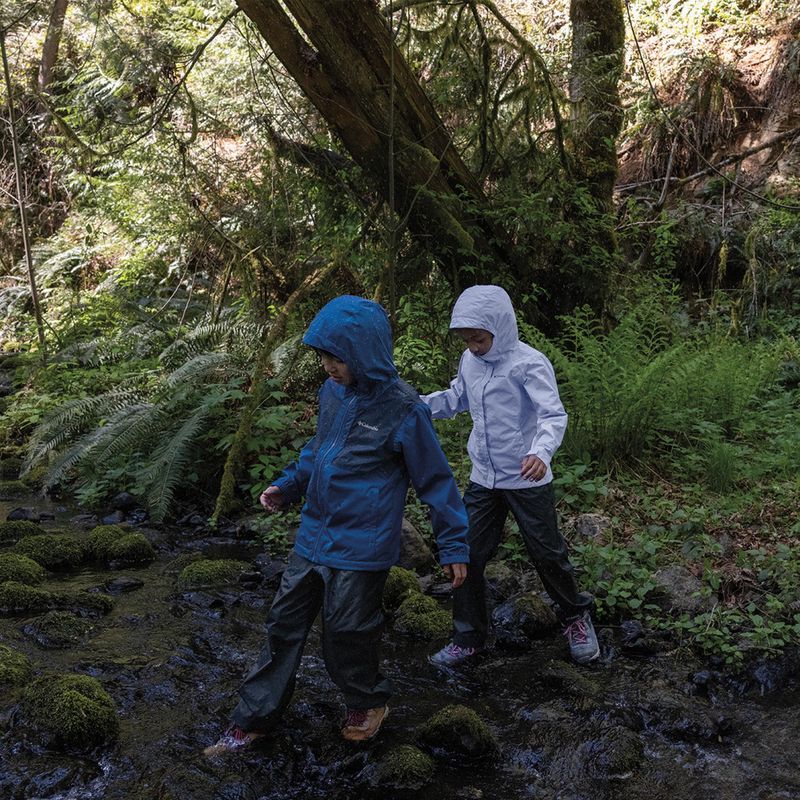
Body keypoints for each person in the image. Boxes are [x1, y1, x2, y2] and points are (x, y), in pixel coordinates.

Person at [204, 295, 469, 756]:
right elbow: (319, 451)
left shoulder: (406, 410)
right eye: (323, 355)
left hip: (362, 546)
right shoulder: (333, 393)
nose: (328, 365)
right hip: (313, 535)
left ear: (365, 351)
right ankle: (253, 718)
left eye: (337, 356)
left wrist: (454, 546)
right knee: (283, 625)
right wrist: (289, 485)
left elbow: (437, 483)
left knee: (347, 632)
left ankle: (367, 702)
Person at [420, 284, 599, 667]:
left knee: (547, 554)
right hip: (484, 477)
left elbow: (552, 414)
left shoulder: (528, 363)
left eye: (479, 339)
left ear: (499, 329)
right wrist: (418, 407)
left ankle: (576, 618)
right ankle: (469, 637)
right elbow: (457, 397)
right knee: (464, 552)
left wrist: (541, 451)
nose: (473, 346)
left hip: (527, 475)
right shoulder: (470, 362)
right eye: (467, 340)